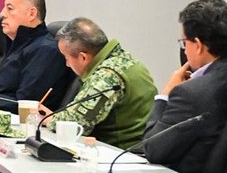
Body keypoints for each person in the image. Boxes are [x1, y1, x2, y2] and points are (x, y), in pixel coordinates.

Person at [139, 0, 227, 173]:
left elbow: (153, 150)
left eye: (184, 43)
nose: (184, 51)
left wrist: (165, 95)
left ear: (198, 45)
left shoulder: (191, 93)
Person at [43, 18, 157, 149]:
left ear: (83, 57)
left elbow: (76, 125)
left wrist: (48, 119)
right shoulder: (127, 60)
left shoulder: (107, 77)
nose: (67, 64)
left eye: (66, 58)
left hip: (121, 152)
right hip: (137, 147)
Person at [0, 0, 71, 110]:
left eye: (10, 9)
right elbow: (3, 90)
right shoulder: (16, 43)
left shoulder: (46, 51)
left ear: (31, 13)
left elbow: (25, 103)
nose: (2, 14)